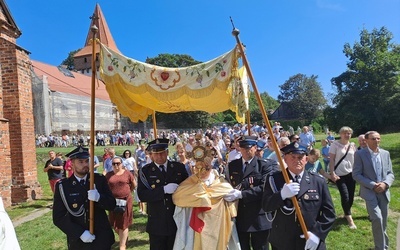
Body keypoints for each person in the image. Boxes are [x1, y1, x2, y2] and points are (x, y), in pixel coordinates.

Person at [262, 142, 336, 250]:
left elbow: (329, 213)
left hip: (310, 240)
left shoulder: (318, 181)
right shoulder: (274, 179)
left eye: (300, 157)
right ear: (285, 159)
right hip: (283, 242)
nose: (297, 160)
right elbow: (266, 206)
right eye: (292, 157)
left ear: (306, 160)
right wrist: (281, 195)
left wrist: (317, 235)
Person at [53, 146, 116, 250]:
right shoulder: (63, 186)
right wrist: (79, 233)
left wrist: (99, 197)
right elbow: (58, 217)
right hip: (79, 241)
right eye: (80, 162)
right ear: (72, 164)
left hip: (101, 238)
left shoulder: (99, 180)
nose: (85, 165)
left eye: (87, 161)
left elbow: (112, 205)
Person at [172, 154, 240, 250]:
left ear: (211, 167)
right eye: (198, 168)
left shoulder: (221, 183)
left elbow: (230, 196)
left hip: (218, 223)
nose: (202, 172)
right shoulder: (190, 182)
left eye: (206, 168)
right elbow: (178, 196)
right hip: (196, 228)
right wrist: (198, 193)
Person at [224, 135, 279, 250]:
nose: (246, 151)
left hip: (258, 216)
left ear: (255, 148)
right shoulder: (232, 165)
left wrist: (241, 194)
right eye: (243, 148)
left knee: (261, 247)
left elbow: (265, 188)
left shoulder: (264, 165)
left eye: (249, 148)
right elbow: (227, 183)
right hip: (239, 215)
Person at [137, 139, 189, 250]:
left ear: (167, 152)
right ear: (151, 155)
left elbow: (187, 188)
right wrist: (163, 190)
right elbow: (142, 195)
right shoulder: (145, 171)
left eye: (162, 153)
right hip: (157, 221)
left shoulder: (178, 167)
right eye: (156, 154)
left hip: (177, 219)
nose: (160, 156)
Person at [353, 131, 395, 250]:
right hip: (369, 192)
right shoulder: (360, 154)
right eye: (373, 139)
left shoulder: (385, 153)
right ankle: (380, 248)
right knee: (377, 219)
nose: (376, 141)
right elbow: (356, 174)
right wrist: (373, 185)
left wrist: (385, 183)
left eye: (378, 138)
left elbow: (390, 173)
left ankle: (384, 246)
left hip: (384, 192)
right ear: (366, 141)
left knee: (384, 222)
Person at [329, 126, 357, 229]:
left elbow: (356, 159)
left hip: (351, 174)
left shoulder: (353, 145)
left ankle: (346, 212)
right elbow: (331, 160)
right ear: (340, 134)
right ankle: (350, 219)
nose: (347, 135)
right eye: (345, 133)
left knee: (351, 196)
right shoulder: (335, 144)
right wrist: (332, 173)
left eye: (349, 133)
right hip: (339, 174)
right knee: (345, 195)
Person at [106, 156, 137, 250]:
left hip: (125, 201)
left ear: (122, 164)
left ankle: (122, 246)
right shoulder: (108, 175)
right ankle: (124, 237)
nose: (116, 165)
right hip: (113, 202)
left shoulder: (127, 173)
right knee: (115, 223)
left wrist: (127, 193)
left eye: (118, 163)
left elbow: (133, 185)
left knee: (123, 223)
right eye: (114, 164)